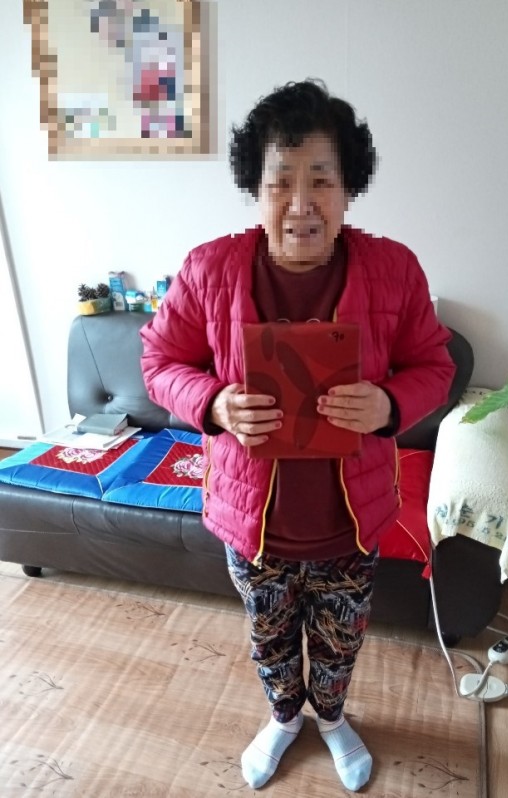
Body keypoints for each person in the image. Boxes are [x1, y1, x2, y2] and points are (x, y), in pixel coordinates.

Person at [140, 79, 455, 792]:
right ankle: (284, 718)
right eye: (281, 181)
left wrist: (389, 403)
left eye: (322, 180)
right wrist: (214, 403)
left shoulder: (393, 269)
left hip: (351, 520)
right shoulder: (210, 269)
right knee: (269, 637)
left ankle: (334, 719)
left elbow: (435, 366)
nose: (302, 203)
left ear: (349, 189)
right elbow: (159, 362)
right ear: (256, 189)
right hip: (253, 522)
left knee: (341, 640)